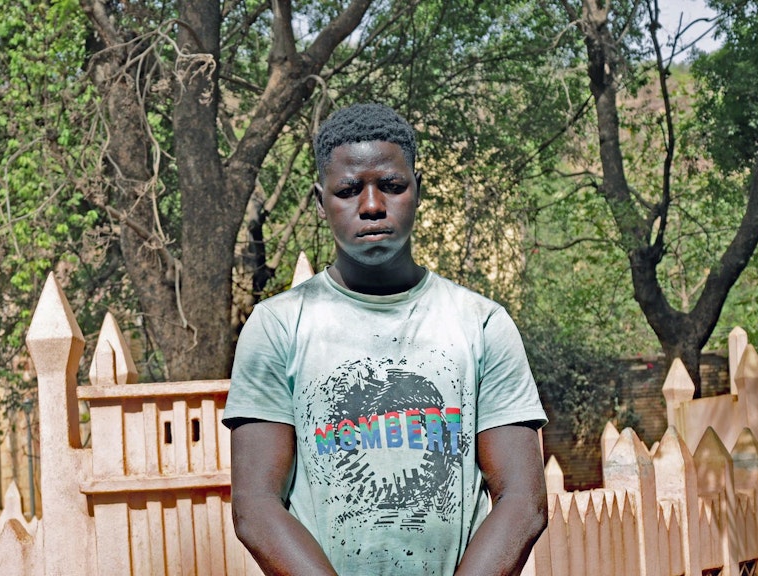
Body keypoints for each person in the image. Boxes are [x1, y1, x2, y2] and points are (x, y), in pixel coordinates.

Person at [223, 103, 548, 576]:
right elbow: (256, 508)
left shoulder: (480, 324)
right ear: (320, 202)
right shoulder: (279, 326)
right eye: (349, 190)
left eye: (392, 186)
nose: (372, 205)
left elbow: (523, 502)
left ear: (418, 190)